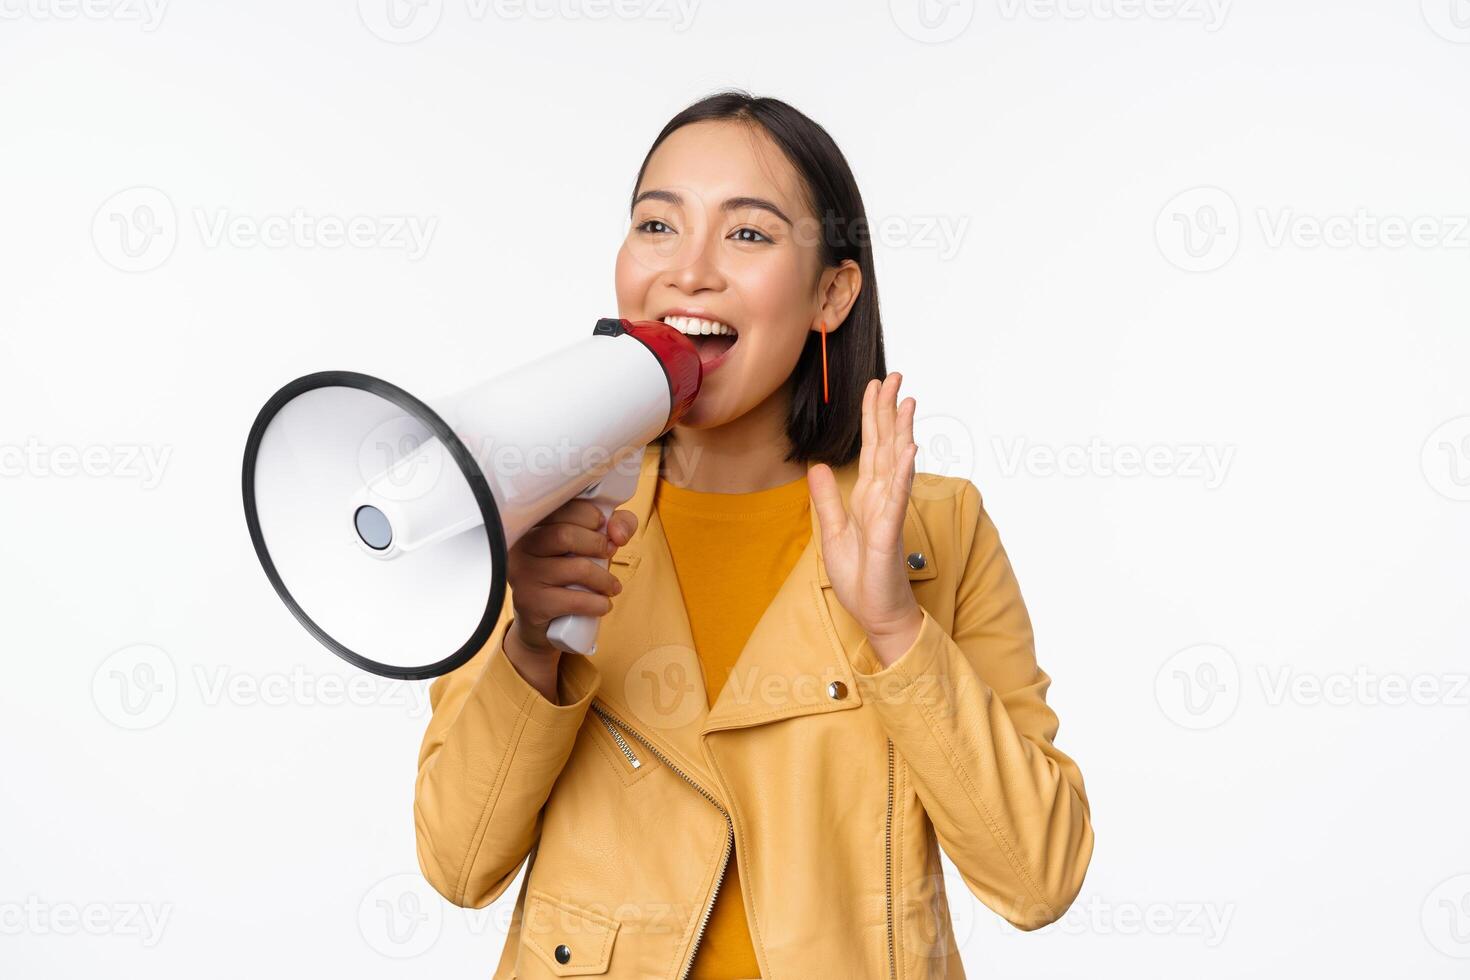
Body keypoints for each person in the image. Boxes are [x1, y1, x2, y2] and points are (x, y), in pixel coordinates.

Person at [414, 90, 1095, 980]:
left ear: (831, 293)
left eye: (748, 235)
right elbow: (459, 866)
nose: (688, 271)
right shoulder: (542, 511)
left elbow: (1038, 878)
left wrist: (896, 631)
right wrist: (532, 644)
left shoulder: (939, 530)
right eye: (657, 225)